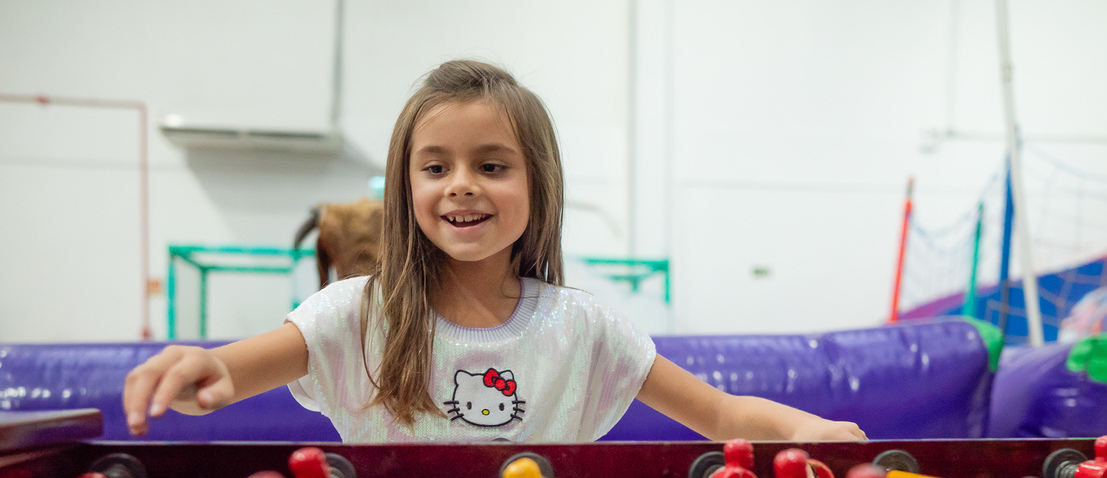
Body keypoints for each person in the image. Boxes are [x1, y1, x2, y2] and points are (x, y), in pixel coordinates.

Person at [124, 60, 866, 444]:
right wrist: (199, 368)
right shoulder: (355, 314)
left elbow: (720, 413)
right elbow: (229, 367)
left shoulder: (581, 328)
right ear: (405, 186)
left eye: (492, 165)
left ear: (537, 185)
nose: (461, 187)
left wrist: (806, 428)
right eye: (436, 166)